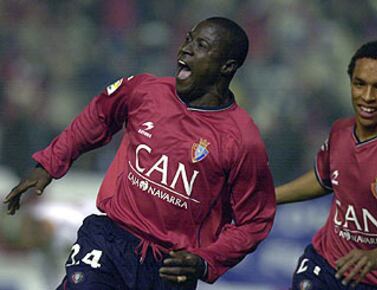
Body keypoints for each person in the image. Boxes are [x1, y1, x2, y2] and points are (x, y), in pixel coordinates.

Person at [4, 17, 276, 290]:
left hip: (170, 267)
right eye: (188, 39)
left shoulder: (242, 141)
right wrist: (49, 164)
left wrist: (205, 260)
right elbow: (98, 116)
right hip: (110, 240)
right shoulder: (145, 91)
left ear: (226, 66)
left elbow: (254, 221)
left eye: (201, 45)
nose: (185, 49)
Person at [276, 40, 377, 289]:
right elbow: (323, 178)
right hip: (327, 265)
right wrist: (270, 197)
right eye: (359, 84)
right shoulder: (341, 131)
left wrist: (376, 256)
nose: (368, 97)